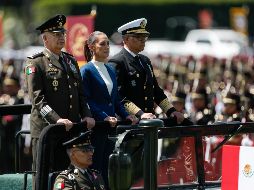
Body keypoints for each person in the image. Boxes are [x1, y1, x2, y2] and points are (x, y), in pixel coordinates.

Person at [25, 14, 95, 187]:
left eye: (62, 33)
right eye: (56, 34)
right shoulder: (36, 63)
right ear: (45, 38)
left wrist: (86, 115)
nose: (61, 37)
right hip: (46, 130)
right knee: (43, 177)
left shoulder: (70, 60)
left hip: (69, 131)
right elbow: (38, 99)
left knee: (66, 177)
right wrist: (57, 119)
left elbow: (80, 94)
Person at [80, 31, 137, 189]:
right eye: (102, 44)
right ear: (92, 47)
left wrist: (127, 115)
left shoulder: (110, 69)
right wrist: (103, 117)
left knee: (107, 168)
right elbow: (86, 100)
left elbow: (116, 100)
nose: (106, 47)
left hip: (111, 127)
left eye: (107, 43)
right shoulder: (86, 70)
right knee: (95, 167)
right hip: (97, 127)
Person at [108, 18, 184, 123]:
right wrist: (140, 114)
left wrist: (171, 111)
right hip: (129, 123)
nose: (143, 40)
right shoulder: (117, 62)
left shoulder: (145, 61)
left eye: (144, 37)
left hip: (148, 121)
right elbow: (119, 96)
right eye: (138, 37)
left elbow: (156, 91)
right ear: (126, 39)